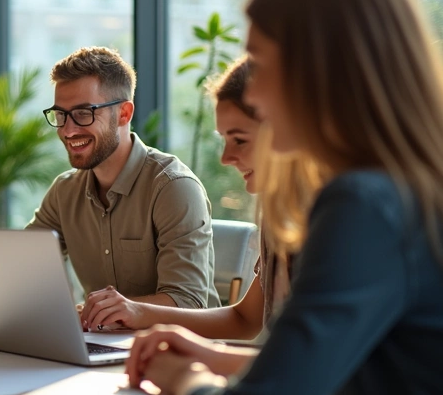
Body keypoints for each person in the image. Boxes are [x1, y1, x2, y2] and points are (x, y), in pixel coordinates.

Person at [127, 0, 443, 395]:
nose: (256, 95)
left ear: (318, 68)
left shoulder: (362, 205)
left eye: (263, 65)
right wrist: (211, 357)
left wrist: (184, 376)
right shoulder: (411, 190)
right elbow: (337, 372)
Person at [0, 47, 217, 324]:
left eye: (83, 113)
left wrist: (124, 310)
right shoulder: (65, 191)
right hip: (102, 344)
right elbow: (22, 270)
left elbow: (189, 302)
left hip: (180, 349)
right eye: (60, 115)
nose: (68, 130)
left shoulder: (173, 188)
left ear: (124, 113)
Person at [73, 56, 324, 343]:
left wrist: (206, 360)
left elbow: (312, 359)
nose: (226, 158)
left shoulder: (333, 218)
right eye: (224, 140)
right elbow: (244, 319)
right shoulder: (279, 217)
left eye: (240, 140)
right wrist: (137, 312)